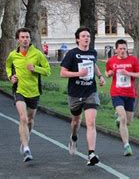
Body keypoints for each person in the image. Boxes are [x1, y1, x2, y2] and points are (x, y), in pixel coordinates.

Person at [60, 26, 105, 166]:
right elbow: (62, 73)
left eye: (88, 36)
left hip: (90, 92)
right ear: (77, 39)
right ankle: (73, 137)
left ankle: (91, 153)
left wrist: (100, 76)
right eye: (84, 36)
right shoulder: (72, 54)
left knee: (91, 122)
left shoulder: (93, 52)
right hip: (75, 93)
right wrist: (78, 74)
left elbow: (94, 64)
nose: (87, 38)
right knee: (76, 121)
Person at [6, 27, 51, 163]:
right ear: (18, 40)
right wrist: (10, 77)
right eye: (23, 37)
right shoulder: (13, 55)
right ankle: (26, 148)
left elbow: (48, 70)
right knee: (23, 118)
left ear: (30, 39)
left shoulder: (37, 54)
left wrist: (35, 68)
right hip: (19, 90)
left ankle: (26, 138)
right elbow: (8, 66)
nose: (25, 40)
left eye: (27, 37)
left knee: (30, 120)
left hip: (34, 92)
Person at [105, 39, 139, 156]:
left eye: (124, 48)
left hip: (130, 94)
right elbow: (107, 73)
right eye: (120, 49)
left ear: (127, 49)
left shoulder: (133, 60)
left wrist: (129, 74)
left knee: (128, 121)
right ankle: (127, 146)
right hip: (116, 93)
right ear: (116, 50)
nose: (122, 51)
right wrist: (109, 74)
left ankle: (119, 120)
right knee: (123, 118)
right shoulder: (111, 61)